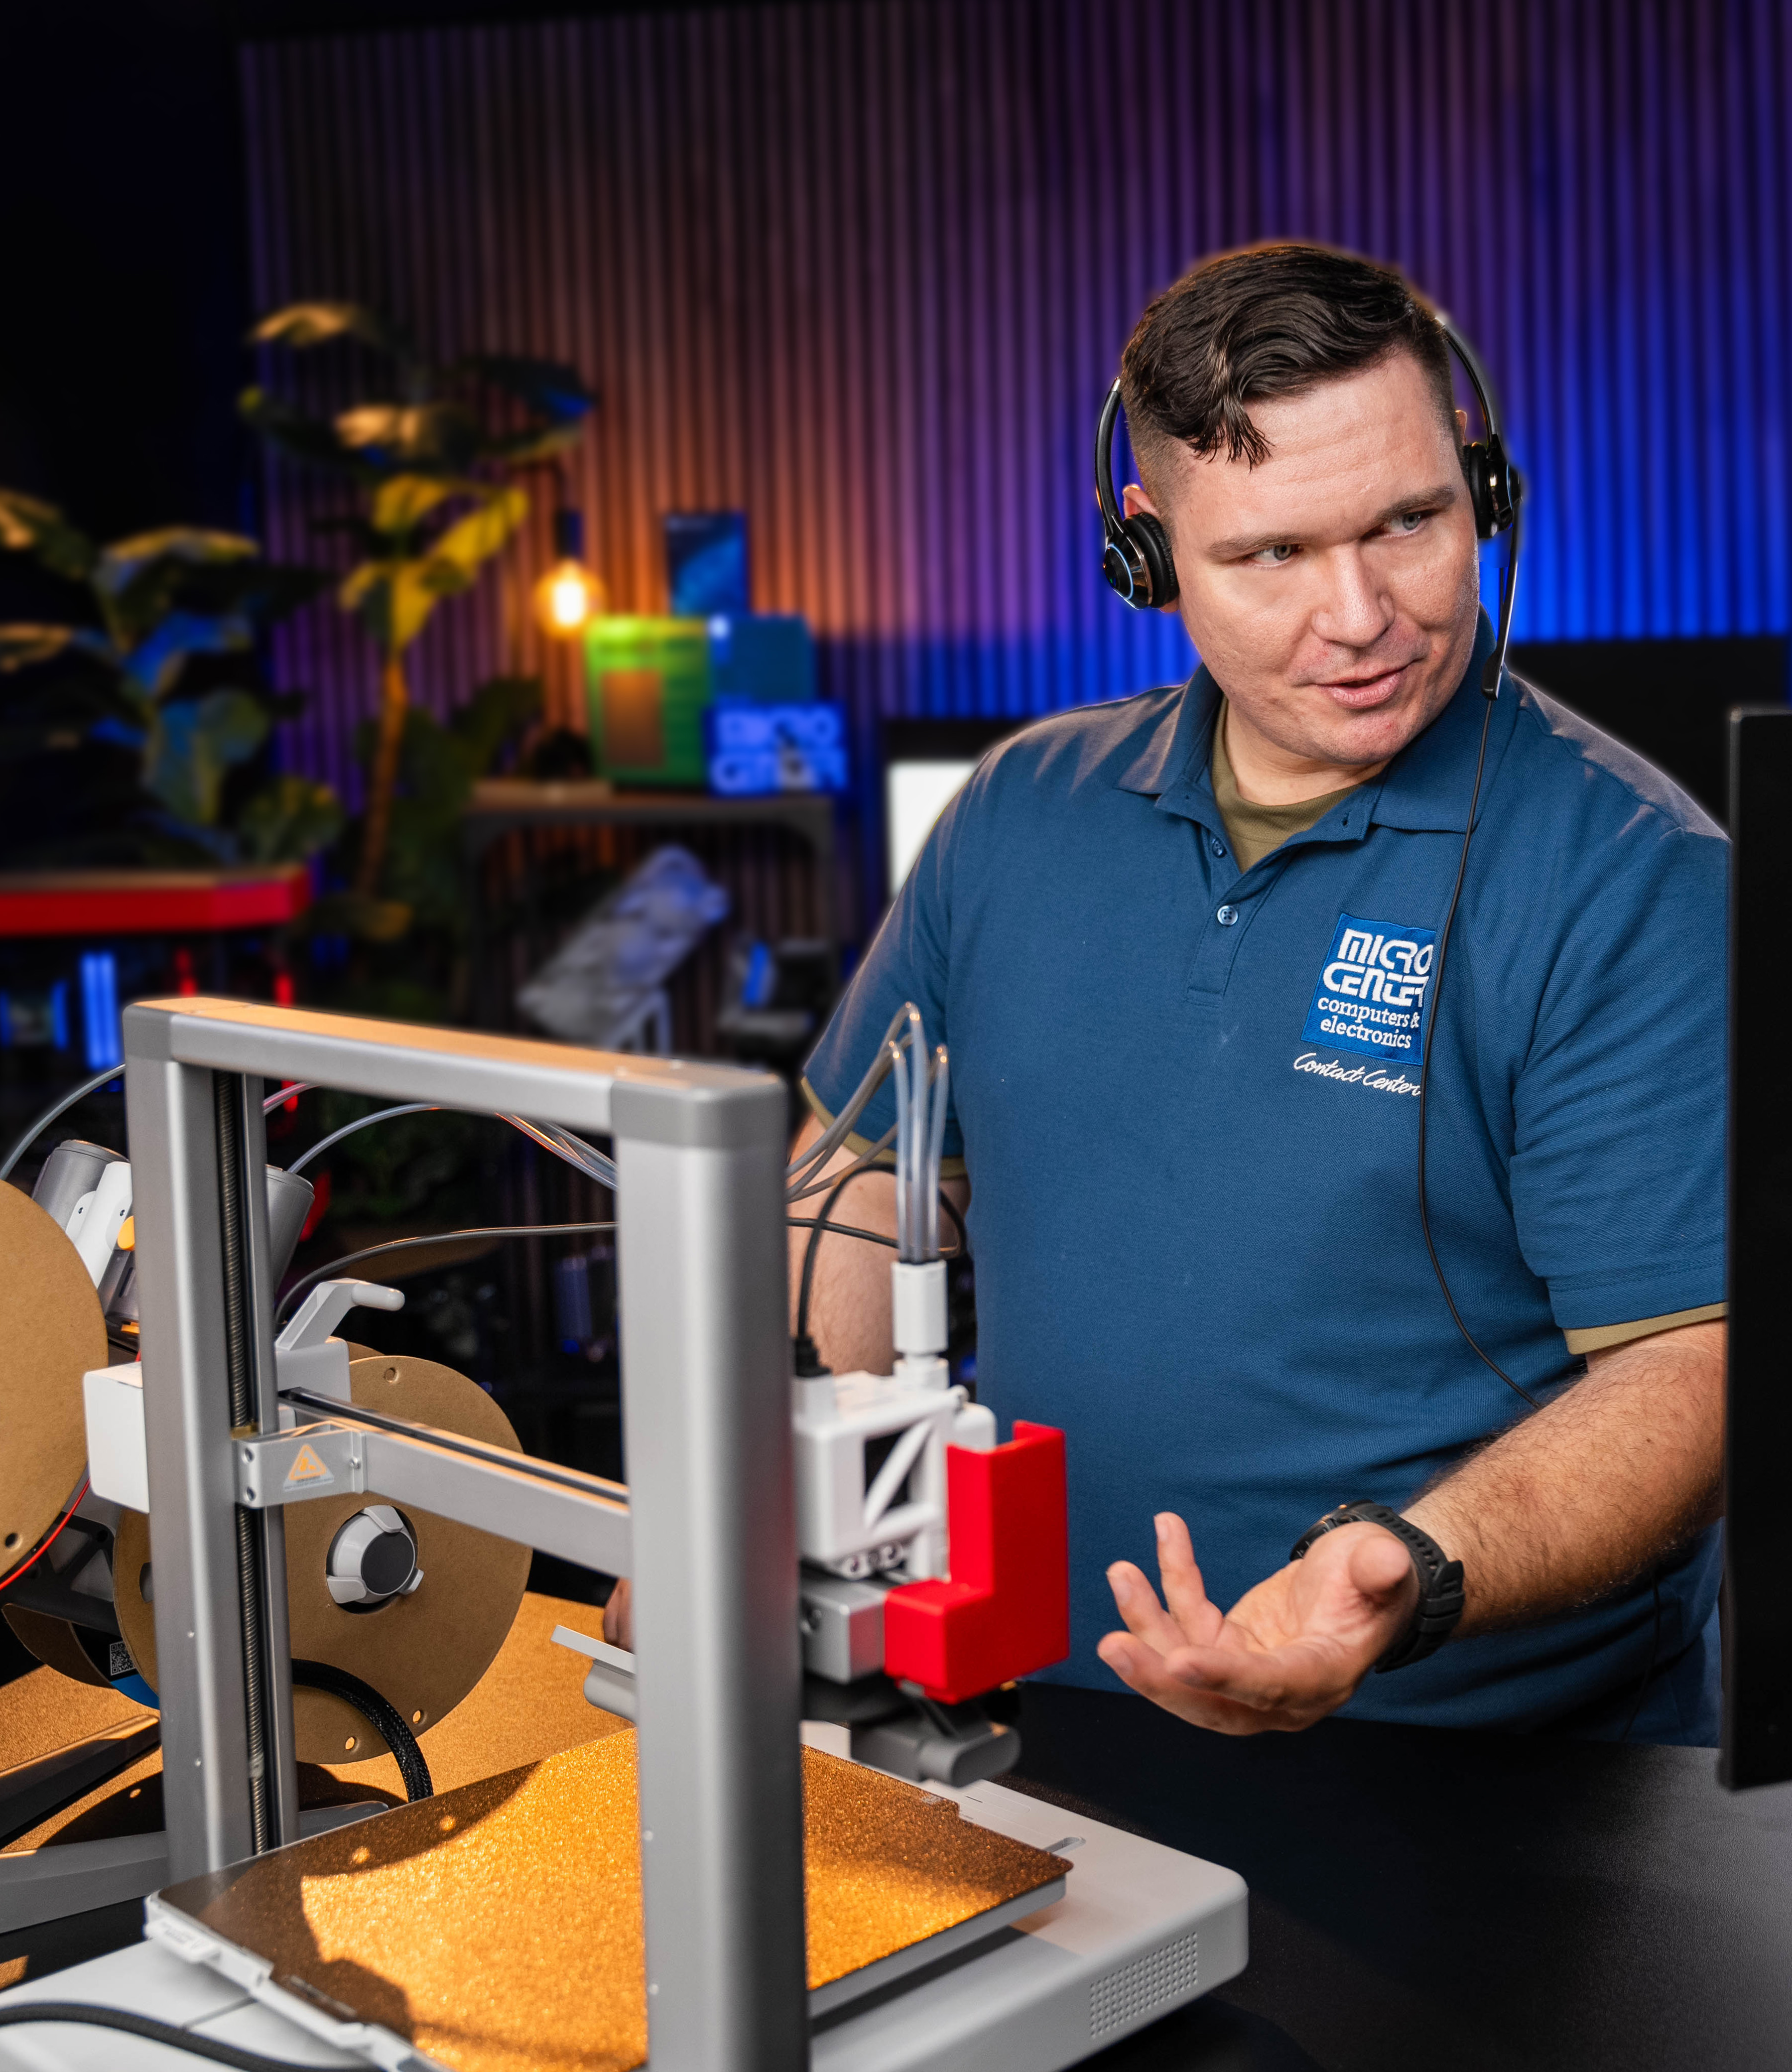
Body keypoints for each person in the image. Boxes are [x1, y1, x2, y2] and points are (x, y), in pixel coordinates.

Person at [612, 243, 1727, 1740]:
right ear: (1146, 552)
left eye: (1410, 522)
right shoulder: (1020, 811)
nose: (1361, 613)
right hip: (1024, 1715)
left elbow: (1689, 1367)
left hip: (1477, 1770)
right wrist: (765, 1478)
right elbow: (868, 1176)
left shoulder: (1631, 874)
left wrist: (1406, 1575)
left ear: (1486, 489)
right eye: (1273, 555)